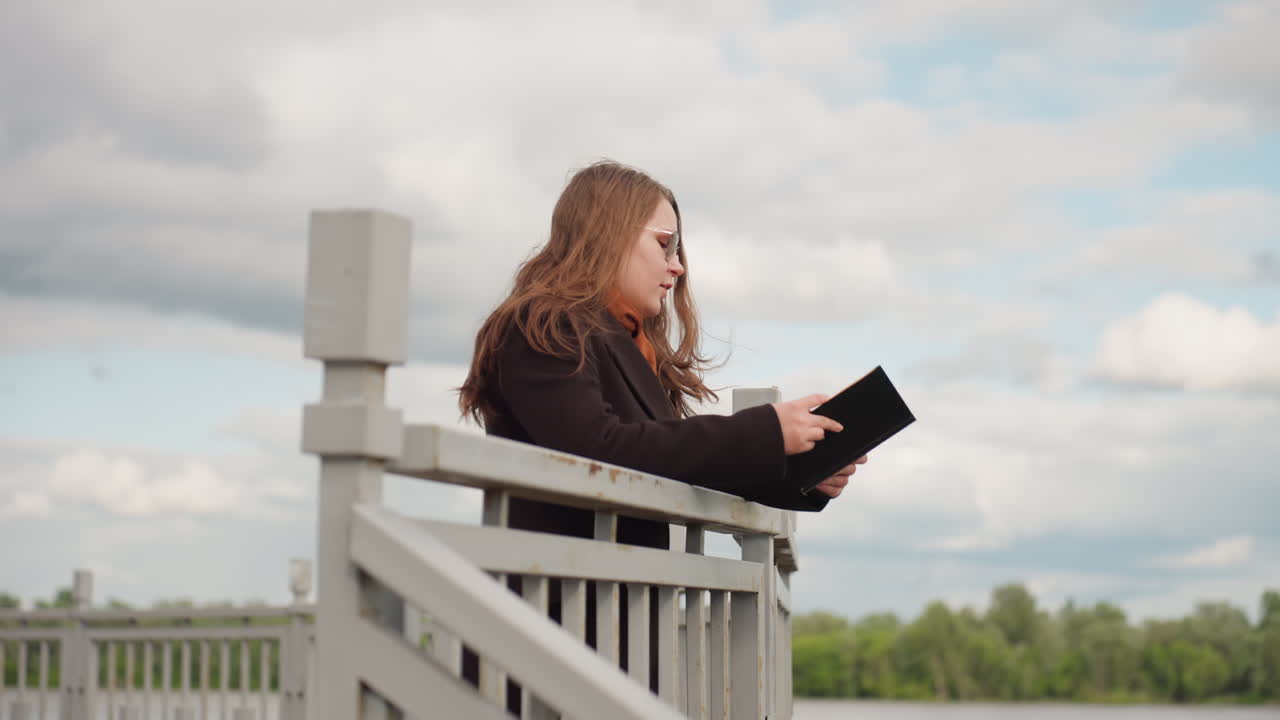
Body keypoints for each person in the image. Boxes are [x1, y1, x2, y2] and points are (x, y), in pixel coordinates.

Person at [457, 159, 867, 706]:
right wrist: (767, 431)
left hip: (606, 621)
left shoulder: (628, 344)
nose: (676, 269)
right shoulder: (545, 323)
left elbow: (671, 459)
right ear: (609, 232)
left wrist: (803, 473)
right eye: (666, 244)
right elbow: (598, 448)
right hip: (553, 621)